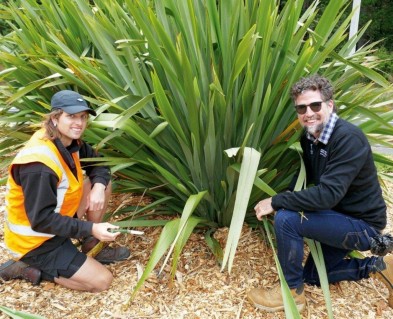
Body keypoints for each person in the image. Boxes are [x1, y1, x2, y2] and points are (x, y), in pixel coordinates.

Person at [247, 74, 392, 312]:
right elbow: (305, 177)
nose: (309, 113)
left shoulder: (348, 138)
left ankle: (291, 294)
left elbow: (327, 195)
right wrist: (284, 201)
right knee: (314, 276)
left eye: (315, 105)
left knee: (287, 220)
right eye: (301, 108)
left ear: (330, 105)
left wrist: (277, 201)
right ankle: (381, 265)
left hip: (362, 226)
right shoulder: (309, 136)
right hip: (337, 219)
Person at [0, 90, 130, 292]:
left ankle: (91, 245)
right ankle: (29, 267)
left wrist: (98, 187)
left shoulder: (70, 142)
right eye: (71, 116)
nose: (79, 123)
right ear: (55, 118)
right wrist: (91, 227)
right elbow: (41, 220)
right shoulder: (39, 166)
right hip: (36, 241)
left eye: (83, 117)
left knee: (102, 184)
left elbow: (99, 163)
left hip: (58, 223)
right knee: (102, 281)